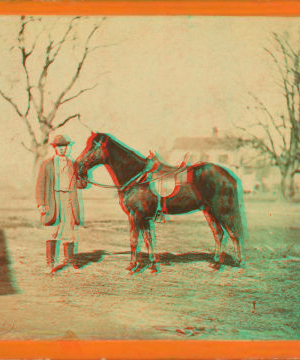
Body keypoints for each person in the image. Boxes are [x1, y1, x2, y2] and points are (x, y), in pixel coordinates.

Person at [36, 134, 85, 274]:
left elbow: (81, 184)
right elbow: (40, 185)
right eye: (59, 146)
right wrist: (41, 203)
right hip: (53, 199)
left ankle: (70, 263)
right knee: (52, 231)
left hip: (69, 199)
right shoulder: (47, 164)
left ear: (67, 148)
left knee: (69, 231)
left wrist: (83, 173)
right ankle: (50, 264)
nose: (62, 149)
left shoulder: (73, 164)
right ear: (55, 148)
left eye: (65, 146)